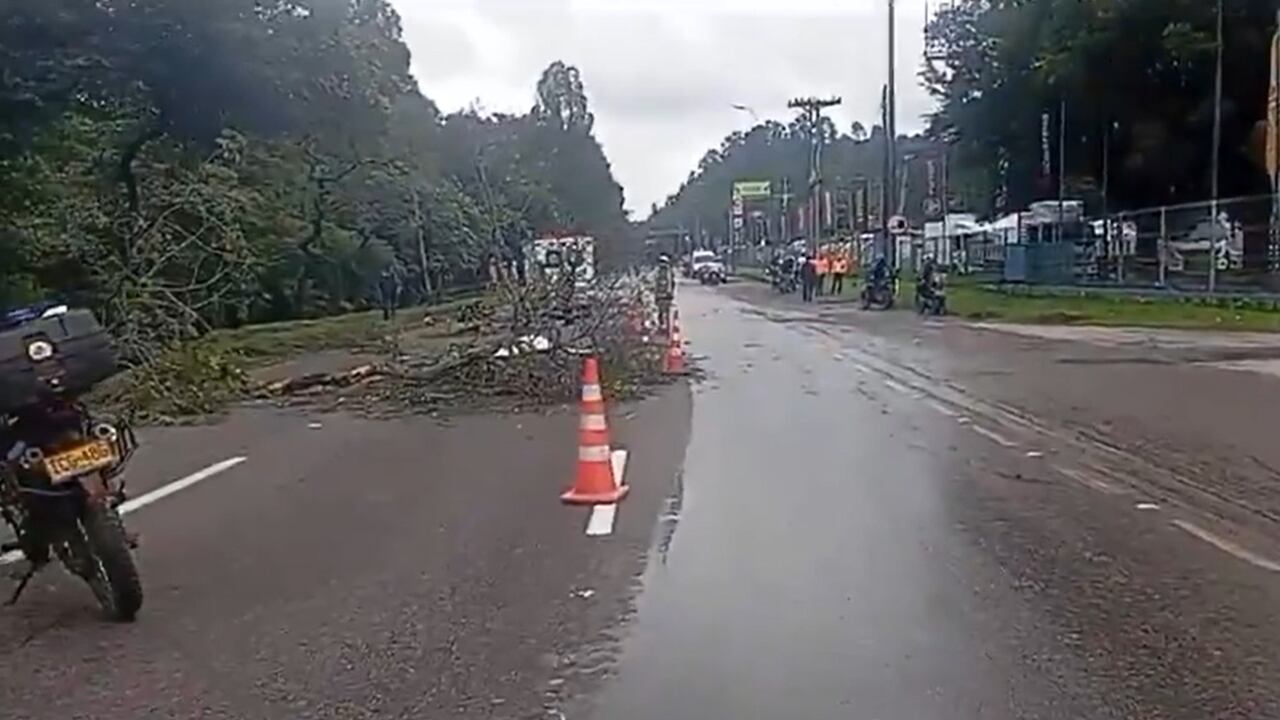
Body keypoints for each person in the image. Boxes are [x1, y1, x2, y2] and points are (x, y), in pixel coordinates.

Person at [654, 254, 676, 334]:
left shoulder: (665, 272)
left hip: (664, 296)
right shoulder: (662, 272)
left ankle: (665, 327)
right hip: (664, 296)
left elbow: (671, 283)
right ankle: (664, 326)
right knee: (663, 312)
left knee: (664, 312)